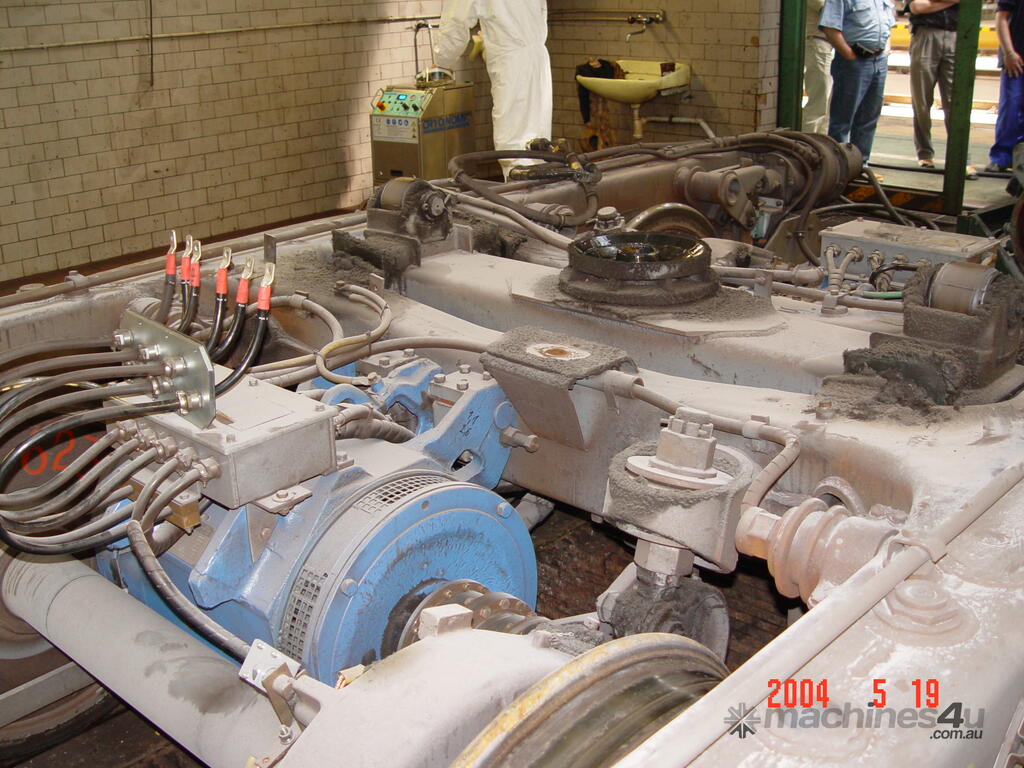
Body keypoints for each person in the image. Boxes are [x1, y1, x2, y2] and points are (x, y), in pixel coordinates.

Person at [434, 0, 553, 178]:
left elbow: (456, 21)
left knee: (513, 143)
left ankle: (519, 191)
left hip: (511, 65)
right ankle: (539, 191)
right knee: (537, 141)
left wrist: (442, 61)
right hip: (538, 59)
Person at [907, 0, 978, 178]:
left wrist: (934, 2)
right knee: (921, 101)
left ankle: (961, 159)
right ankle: (925, 154)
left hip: (957, 36)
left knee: (957, 104)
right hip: (926, 35)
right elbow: (917, 6)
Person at [820, 0, 896, 163]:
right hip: (854, 61)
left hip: (878, 60)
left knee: (869, 117)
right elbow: (830, 28)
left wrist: (885, 51)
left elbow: (888, 26)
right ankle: (839, 165)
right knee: (843, 118)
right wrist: (849, 55)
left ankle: (860, 164)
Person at [988, 0, 1024, 172]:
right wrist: (1009, 53)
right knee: (1011, 107)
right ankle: (1001, 157)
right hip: (1017, 59)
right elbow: (1001, 17)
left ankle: (1020, 160)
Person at [803, 0, 834, 134]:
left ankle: (822, 141)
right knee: (818, 103)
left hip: (830, 43)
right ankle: (807, 140)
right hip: (817, 42)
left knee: (827, 104)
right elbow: (829, 10)